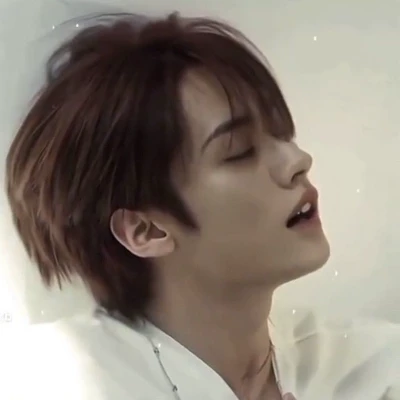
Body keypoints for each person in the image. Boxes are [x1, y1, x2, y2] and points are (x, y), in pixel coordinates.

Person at [2, 11, 400, 400]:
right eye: (240, 151)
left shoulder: (373, 370)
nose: (298, 160)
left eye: (283, 133)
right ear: (146, 230)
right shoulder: (53, 379)